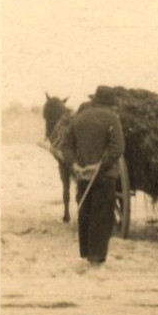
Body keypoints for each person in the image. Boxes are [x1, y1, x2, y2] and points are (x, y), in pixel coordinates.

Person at [58, 86, 125, 268]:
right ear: (111, 103)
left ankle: (86, 256)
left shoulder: (79, 118)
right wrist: (100, 166)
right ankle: (97, 260)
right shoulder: (112, 118)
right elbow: (118, 148)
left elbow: (65, 146)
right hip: (104, 176)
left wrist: (75, 166)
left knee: (85, 213)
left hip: (82, 176)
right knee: (102, 216)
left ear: (95, 100)